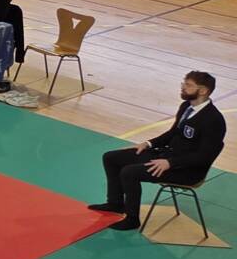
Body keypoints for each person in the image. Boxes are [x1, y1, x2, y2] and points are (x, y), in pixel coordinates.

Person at [91, 70, 223, 231]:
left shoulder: (213, 120)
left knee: (129, 172)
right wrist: (148, 144)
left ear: (203, 91)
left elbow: (204, 157)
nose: (183, 87)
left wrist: (170, 163)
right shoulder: (186, 107)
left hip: (187, 170)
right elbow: (173, 133)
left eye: (188, 85)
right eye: (183, 83)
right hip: (167, 156)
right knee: (111, 158)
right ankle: (115, 203)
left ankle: (132, 219)